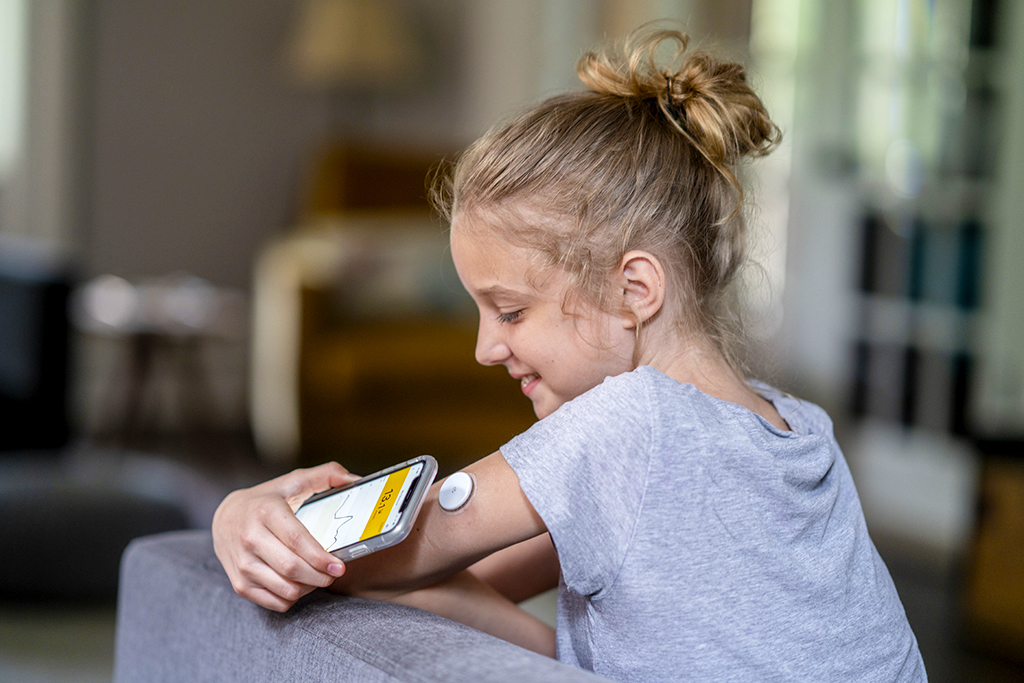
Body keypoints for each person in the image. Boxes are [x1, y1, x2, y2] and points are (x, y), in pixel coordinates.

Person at [213, 28, 927, 682]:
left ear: (634, 289)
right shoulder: (800, 428)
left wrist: (239, 515)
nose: (486, 348)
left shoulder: (630, 422)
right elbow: (467, 582)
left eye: (511, 310)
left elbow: (371, 562)